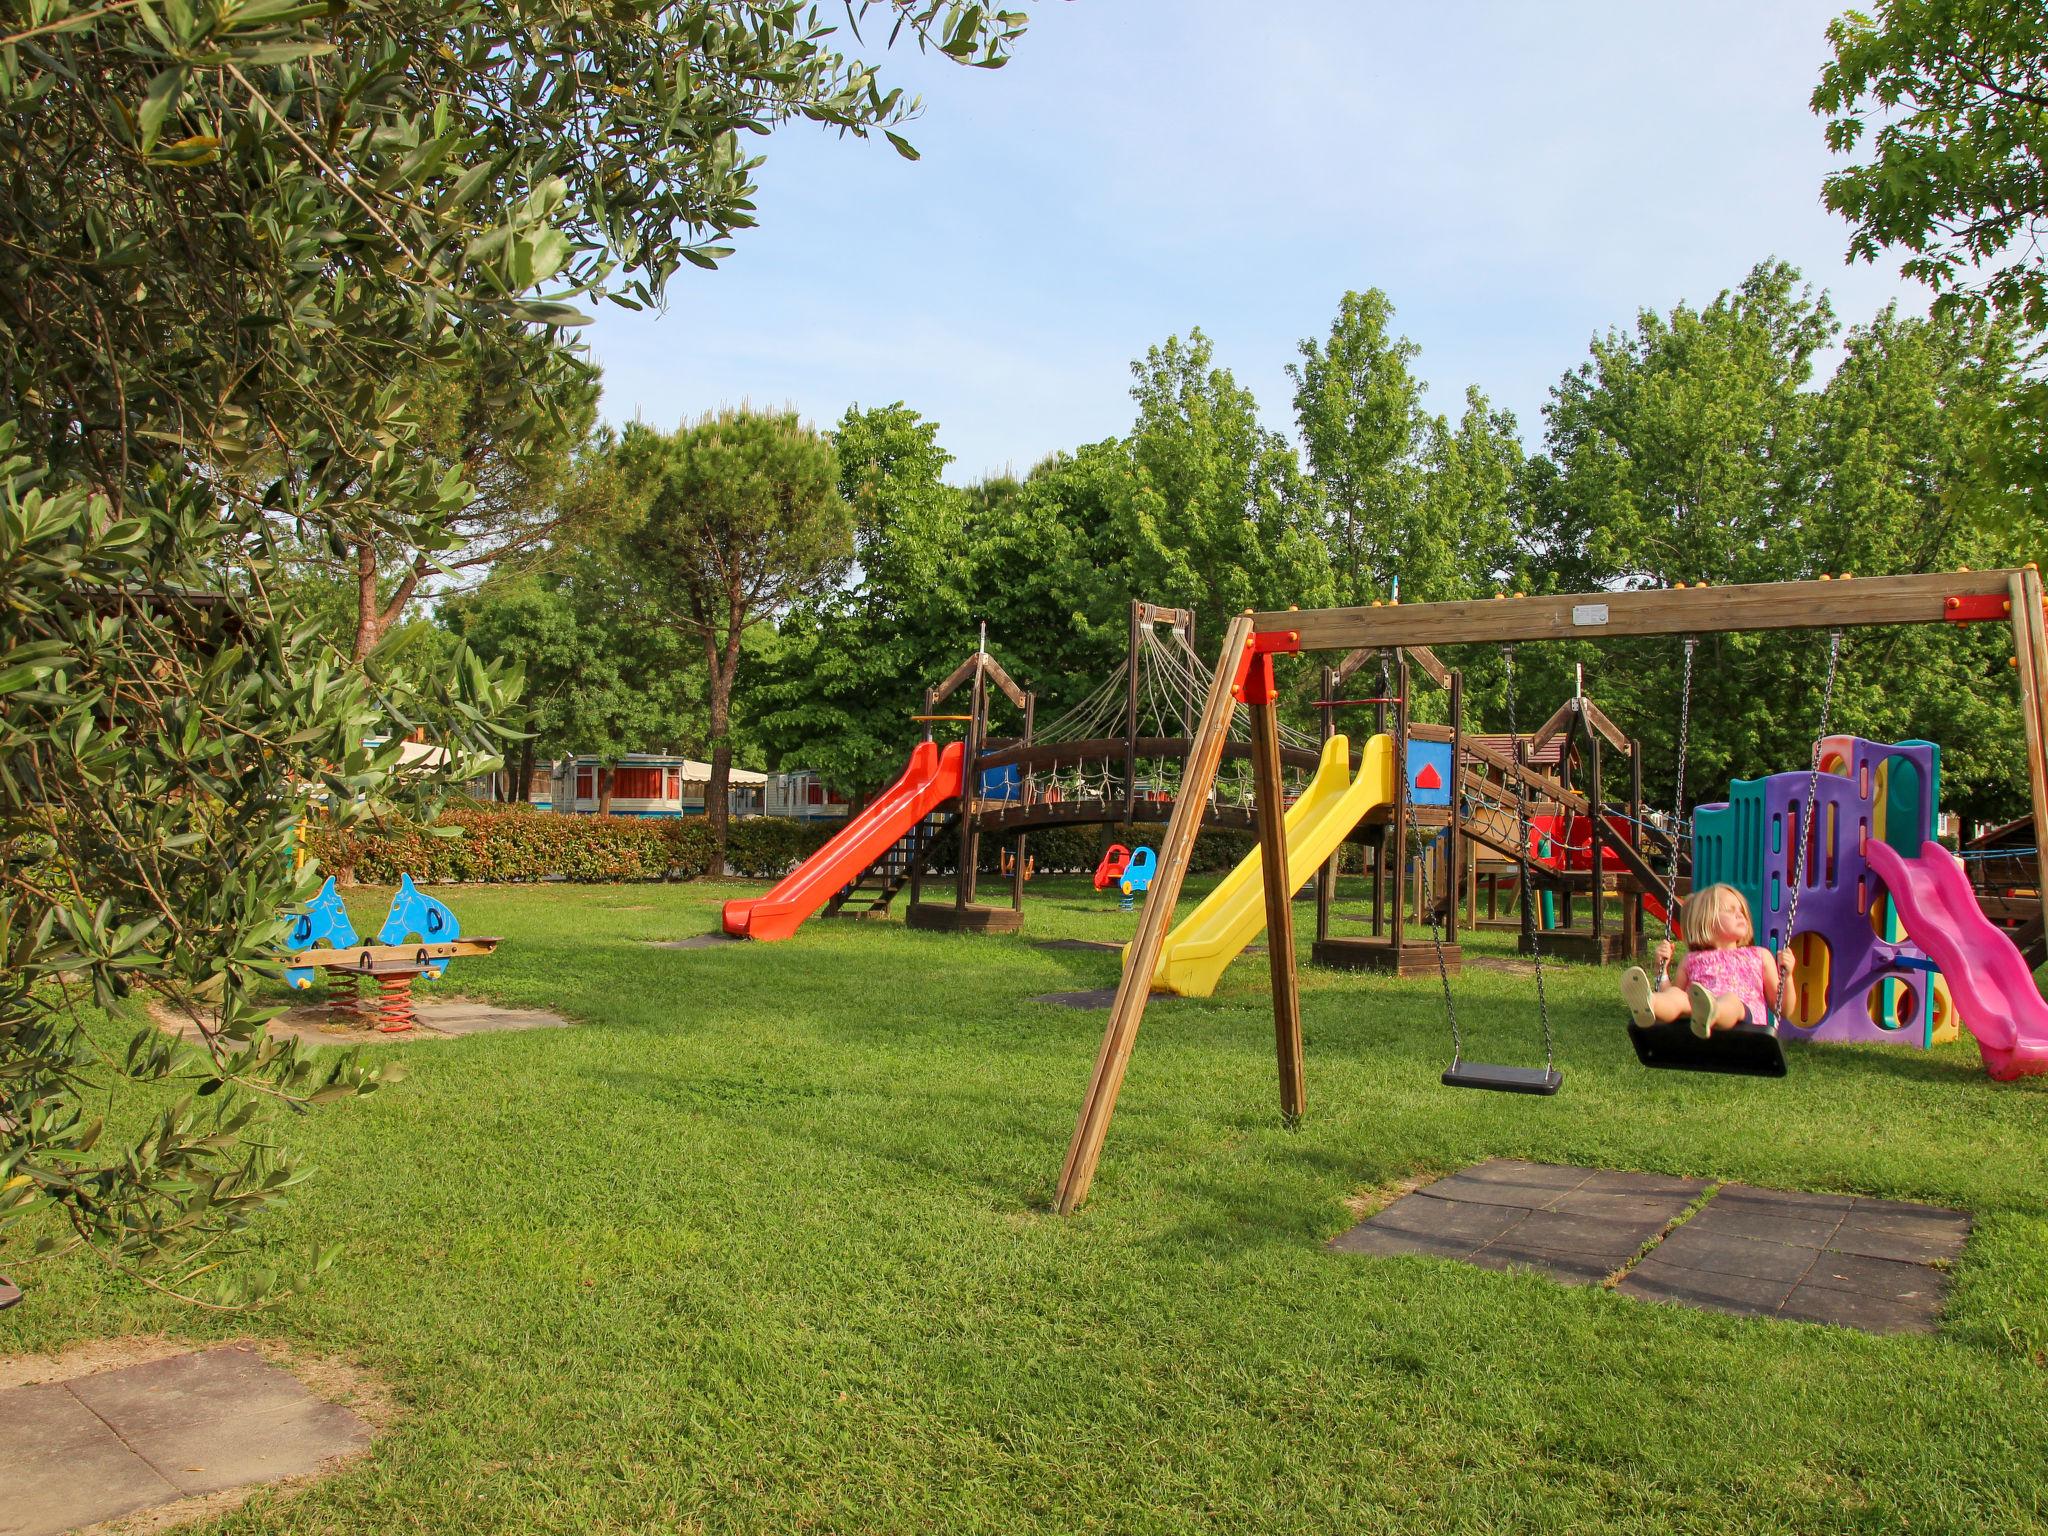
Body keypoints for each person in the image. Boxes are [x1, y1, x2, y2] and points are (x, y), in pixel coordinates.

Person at [1621, 883, 1793, 1038]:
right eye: (1730, 910)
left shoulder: (1759, 956)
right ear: (1706, 920)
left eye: (1741, 911)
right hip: (1698, 1020)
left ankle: (1713, 1012)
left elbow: (1784, 1009)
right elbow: (1674, 996)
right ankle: (1650, 1004)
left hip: (1744, 1024)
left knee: (1731, 1001)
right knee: (1677, 996)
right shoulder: (1691, 960)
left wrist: (1788, 976)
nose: (1740, 915)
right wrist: (1662, 971)